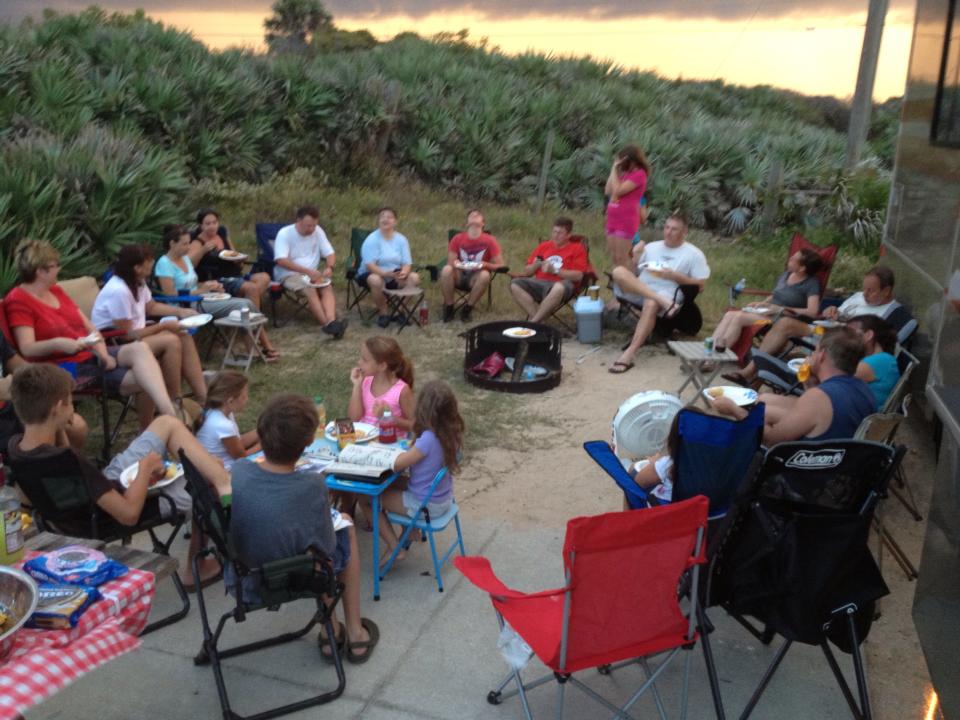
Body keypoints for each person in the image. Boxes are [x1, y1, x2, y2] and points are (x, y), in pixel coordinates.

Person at [7, 363, 228, 589]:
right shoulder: (69, 462)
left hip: (88, 504)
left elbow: (35, 495)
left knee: (166, 424)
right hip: (110, 515)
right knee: (206, 483)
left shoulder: (16, 450)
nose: (73, 408)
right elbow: (128, 515)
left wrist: (60, 425)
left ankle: (217, 473)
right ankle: (198, 566)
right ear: (57, 407)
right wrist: (145, 469)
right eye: (71, 401)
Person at [228, 393, 378, 663]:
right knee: (343, 531)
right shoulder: (311, 485)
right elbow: (326, 546)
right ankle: (354, 632)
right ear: (308, 442)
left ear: (261, 433)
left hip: (246, 577)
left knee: (312, 549)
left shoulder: (239, 470)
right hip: (293, 577)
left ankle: (330, 629)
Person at [4, 238, 179, 425]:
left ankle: (168, 414)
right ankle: (166, 423)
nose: (59, 269)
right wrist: (58, 343)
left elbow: (90, 328)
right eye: (56, 265)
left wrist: (103, 354)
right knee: (149, 376)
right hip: (62, 367)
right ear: (40, 271)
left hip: (88, 354)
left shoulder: (55, 291)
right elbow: (27, 348)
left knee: (141, 350)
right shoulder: (19, 300)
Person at [725, 266, 899, 386]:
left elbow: (871, 343)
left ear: (886, 291)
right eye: (865, 289)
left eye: (871, 290)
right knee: (783, 332)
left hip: (842, 343)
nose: (865, 294)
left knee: (784, 330)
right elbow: (837, 310)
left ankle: (749, 375)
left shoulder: (889, 312)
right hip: (828, 329)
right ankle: (751, 378)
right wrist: (832, 310)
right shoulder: (859, 297)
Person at [712, 326, 875, 443]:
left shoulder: (819, 397)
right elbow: (821, 418)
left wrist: (734, 410)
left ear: (822, 356)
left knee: (740, 423)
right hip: (834, 467)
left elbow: (770, 438)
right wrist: (810, 385)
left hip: (796, 476)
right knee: (763, 401)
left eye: (815, 351)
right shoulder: (865, 390)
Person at [92, 243, 209, 406]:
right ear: (137, 267)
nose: (152, 266)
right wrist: (163, 327)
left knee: (183, 335)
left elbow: (151, 306)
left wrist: (181, 313)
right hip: (114, 344)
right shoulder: (119, 291)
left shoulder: (138, 282)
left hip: (136, 335)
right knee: (171, 340)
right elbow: (126, 335)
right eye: (149, 263)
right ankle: (175, 400)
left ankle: (204, 397)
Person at [362, 379, 464, 563]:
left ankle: (395, 547)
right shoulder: (451, 434)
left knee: (367, 498)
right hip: (443, 498)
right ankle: (412, 532)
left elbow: (398, 465)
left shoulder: (428, 439)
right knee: (395, 482)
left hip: (425, 506)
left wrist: (383, 453)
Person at [609, 213, 710, 373]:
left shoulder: (693, 254)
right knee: (618, 271)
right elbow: (633, 272)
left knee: (651, 303)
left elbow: (701, 285)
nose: (668, 232)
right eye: (667, 227)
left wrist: (675, 276)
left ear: (684, 232)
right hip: (647, 291)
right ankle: (661, 301)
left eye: (674, 229)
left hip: (668, 292)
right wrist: (634, 256)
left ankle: (629, 353)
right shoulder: (651, 247)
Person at [708, 248, 823, 352]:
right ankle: (708, 350)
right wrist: (762, 303)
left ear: (802, 268)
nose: (790, 258)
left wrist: (781, 308)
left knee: (739, 318)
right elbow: (775, 295)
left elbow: (812, 312)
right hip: (767, 312)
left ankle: (715, 357)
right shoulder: (786, 275)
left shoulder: (811, 283)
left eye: (794, 259)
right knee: (729, 314)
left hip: (782, 318)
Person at [0, 330, 87, 453]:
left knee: (76, 427)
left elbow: (17, 364)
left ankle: (67, 468)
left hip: (12, 409)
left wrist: (51, 376)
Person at [273, 205, 345, 338]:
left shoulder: (317, 231)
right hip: (289, 274)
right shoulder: (285, 233)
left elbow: (330, 253)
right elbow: (281, 260)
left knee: (326, 287)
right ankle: (327, 325)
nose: (311, 229)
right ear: (298, 221)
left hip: (312, 274)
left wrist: (330, 267)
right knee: (310, 290)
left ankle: (331, 321)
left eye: (314, 225)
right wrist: (307, 271)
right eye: (308, 226)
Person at [190, 208, 272, 315]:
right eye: (208, 223)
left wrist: (239, 259)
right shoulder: (197, 242)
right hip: (219, 279)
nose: (212, 226)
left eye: (215, 222)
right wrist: (203, 250)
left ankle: (243, 310)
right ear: (201, 226)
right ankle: (253, 324)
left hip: (235, 275)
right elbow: (188, 265)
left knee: (264, 277)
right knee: (251, 288)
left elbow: (233, 254)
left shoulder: (222, 233)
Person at [509, 217, 589, 323]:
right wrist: (535, 265)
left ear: (569, 235)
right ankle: (540, 321)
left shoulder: (577, 248)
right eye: (554, 232)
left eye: (560, 233)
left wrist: (555, 270)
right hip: (539, 283)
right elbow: (527, 272)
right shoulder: (544, 246)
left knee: (558, 288)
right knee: (514, 284)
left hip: (563, 285)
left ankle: (534, 322)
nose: (556, 235)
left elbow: (578, 276)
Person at [356, 207, 421, 329]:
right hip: (371, 274)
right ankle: (383, 313)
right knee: (375, 279)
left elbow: (407, 263)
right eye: (382, 217)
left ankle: (399, 311)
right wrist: (386, 274)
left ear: (395, 221)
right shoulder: (372, 240)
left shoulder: (401, 240)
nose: (385, 219)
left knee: (414, 277)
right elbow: (370, 265)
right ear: (379, 220)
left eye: (389, 217)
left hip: (393, 275)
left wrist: (404, 272)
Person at [441, 209, 505, 323]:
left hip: (476, 277)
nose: (475, 215)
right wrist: (457, 264)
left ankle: (467, 309)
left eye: (478, 215)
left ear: (483, 223)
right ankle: (449, 307)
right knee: (446, 269)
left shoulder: (490, 240)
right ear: (467, 223)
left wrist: (484, 264)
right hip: (459, 274)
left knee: (485, 275)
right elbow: (451, 262)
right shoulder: (458, 238)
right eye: (471, 215)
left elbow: (501, 265)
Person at [348, 336, 415, 432]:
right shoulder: (365, 382)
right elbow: (353, 419)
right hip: (364, 443)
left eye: (365, 360)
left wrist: (389, 418)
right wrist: (356, 386)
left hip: (390, 445)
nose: (359, 362)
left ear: (382, 366)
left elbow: (417, 425)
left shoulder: (401, 391)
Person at [197, 371, 260, 471]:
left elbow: (238, 442)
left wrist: (262, 430)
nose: (247, 400)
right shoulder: (223, 425)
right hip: (225, 471)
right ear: (230, 401)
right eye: (244, 397)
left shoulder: (216, 412)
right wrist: (264, 445)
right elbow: (241, 457)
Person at [605, 145, 650, 269]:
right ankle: (617, 285)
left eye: (622, 162)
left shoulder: (640, 174)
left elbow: (618, 191)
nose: (620, 164)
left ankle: (629, 283)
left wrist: (615, 169)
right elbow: (608, 190)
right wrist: (614, 170)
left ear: (632, 160)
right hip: (613, 220)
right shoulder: (624, 175)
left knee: (622, 258)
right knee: (614, 257)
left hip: (625, 220)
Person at [848, 314, 901, 409]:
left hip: (861, 416)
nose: (844, 338)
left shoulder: (882, 360)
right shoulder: (873, 358)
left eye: (850, 333)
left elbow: (835, 375)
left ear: (868, 335)